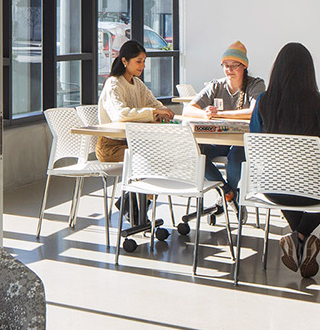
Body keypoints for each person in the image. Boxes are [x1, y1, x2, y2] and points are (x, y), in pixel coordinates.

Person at [247, 42, 320, 279]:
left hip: (270, 187)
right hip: (310, 189)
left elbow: (255, 143)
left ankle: (298, 241)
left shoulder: (263, 101)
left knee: (286, 185)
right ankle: (301, 236)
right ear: (309, 72)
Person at [99, 39, 176, 236]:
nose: (142, 66)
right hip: (111, 147)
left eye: (144, 61)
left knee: (165, 159)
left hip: (134, 145)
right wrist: (153, 113)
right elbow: (120, 115)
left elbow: (154, 104)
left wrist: (160, 110)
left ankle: (129, 205)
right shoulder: (113, 84)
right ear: (125, 61)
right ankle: (135, 211)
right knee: (148, 161)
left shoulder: (138, 84)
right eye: (138, 61)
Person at [185, 40, 265, 202]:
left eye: (234, 65)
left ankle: (230, 194)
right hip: (220, 140)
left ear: (244, 66)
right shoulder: (216, 86)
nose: (229, 70)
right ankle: (227, 192)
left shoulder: (256, 84)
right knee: (196, 153)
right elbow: (188, 109)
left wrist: (221, 114)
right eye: (225, 65)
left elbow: (254, 112)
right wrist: (205, 114)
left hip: (246, 141)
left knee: (235, 157)